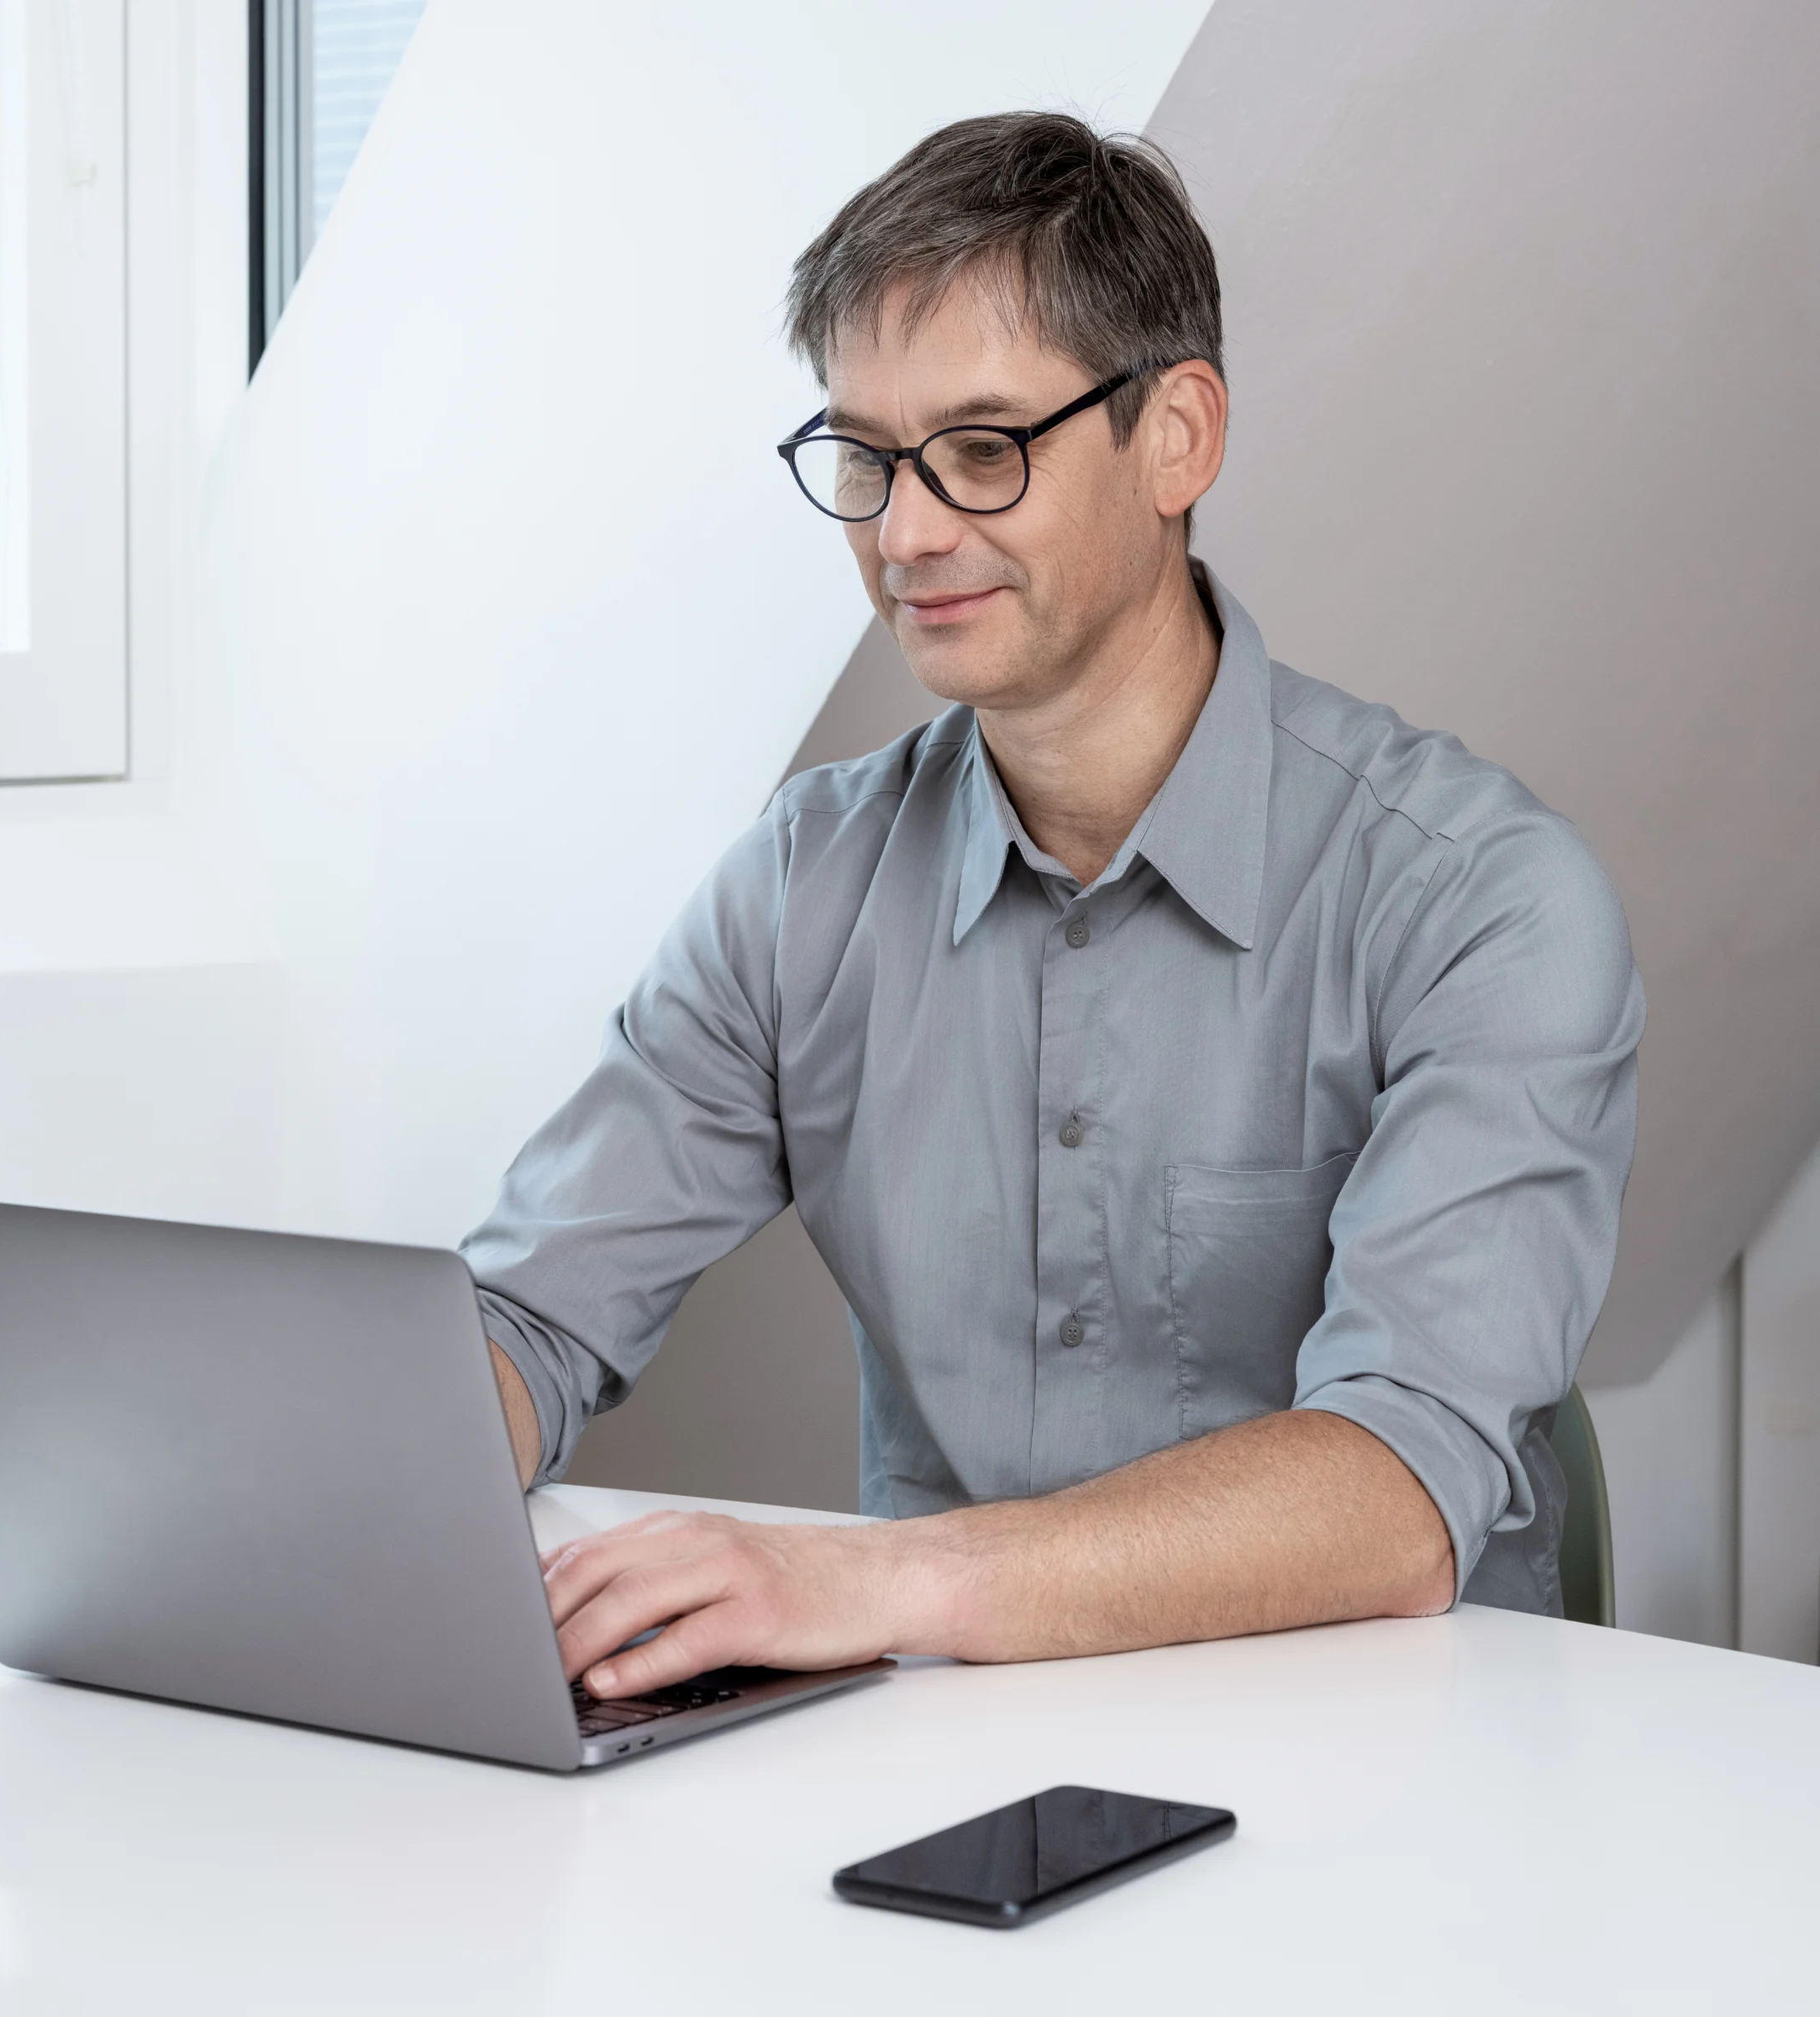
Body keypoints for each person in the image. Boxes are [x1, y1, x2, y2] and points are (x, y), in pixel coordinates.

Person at [462, 112, 1642, 1701]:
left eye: (983, 448)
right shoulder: (804, 888)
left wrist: (867, 1578)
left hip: (1393, 1796)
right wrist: (332, 1485)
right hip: (945, 1767)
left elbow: (1398, 1488)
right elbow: (529, 1322)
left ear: (1180, 438)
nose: (907, 532)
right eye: (866, 457)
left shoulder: (1481, 904)